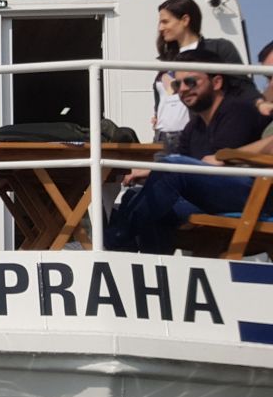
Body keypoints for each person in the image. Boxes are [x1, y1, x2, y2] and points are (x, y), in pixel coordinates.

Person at [108, 50, 270, 254]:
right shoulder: (194, 127)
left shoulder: (237, 111)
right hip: (211, 199)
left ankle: (114, 241)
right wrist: (144, 171)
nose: (182, 89)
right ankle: (155, 271)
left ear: (217, 82)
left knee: (169, 172)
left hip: (251, 199)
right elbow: (185, 167)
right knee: (136, 196)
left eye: (190, 82)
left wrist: (168, 168)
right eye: (177, 84)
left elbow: (193, 167)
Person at [156, 0, 258, 102]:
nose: (160, 28)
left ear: (185, 20)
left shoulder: (218, 48)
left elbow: (242, 87)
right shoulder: (167, 59)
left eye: (165, 22)